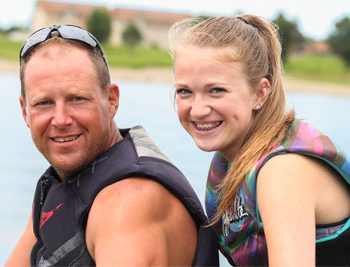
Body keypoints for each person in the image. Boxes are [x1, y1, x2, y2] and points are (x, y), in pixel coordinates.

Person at [5, 25, 219, 266]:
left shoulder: (127, 206)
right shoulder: (60, 183)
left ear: (111, 100)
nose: (61, 119)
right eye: (44, 103)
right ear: (25, 111)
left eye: (77, 99)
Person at [168, 15, 350, 266]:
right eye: (184, 91)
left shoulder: (282, 171)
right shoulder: (231, 159)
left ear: (260, 93)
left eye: (216, 90)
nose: (198, 110)